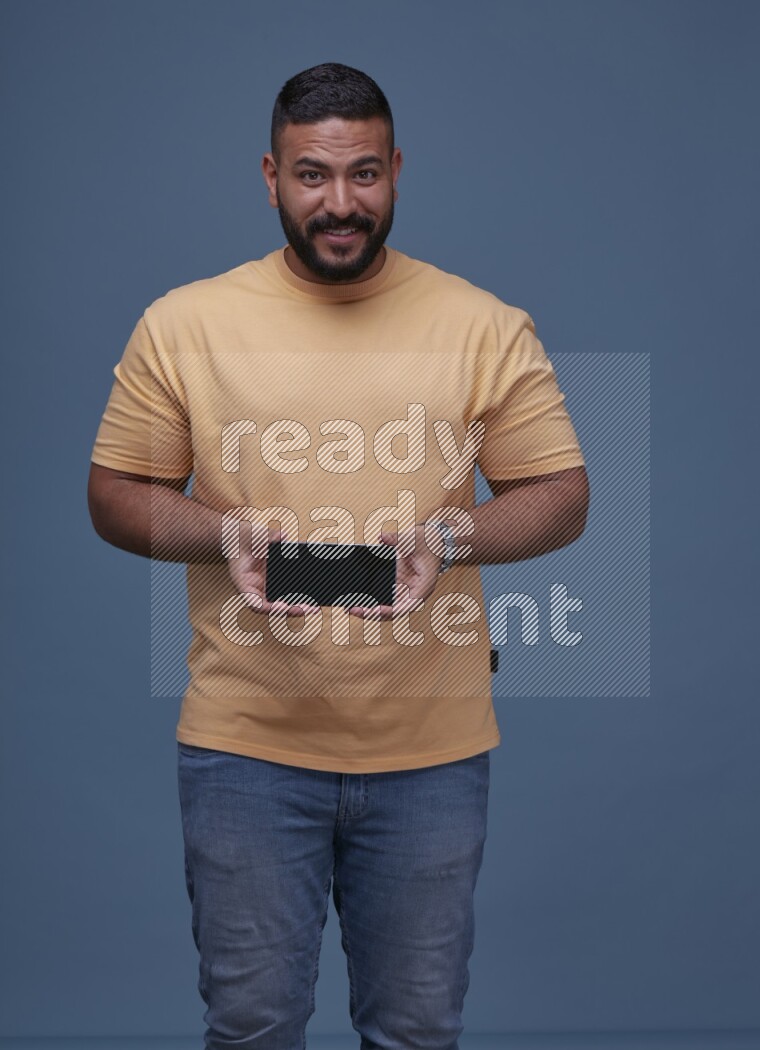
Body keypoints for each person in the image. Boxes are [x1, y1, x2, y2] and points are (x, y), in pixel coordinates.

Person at [88, 62, 589, 1050]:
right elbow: (115, 494)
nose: (340, 202)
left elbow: (560, 497)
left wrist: (448, 538)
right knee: (252, 1029)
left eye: (363, 173)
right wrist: (224, 533)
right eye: (312, 175)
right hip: (244, 749)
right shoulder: (184, 325)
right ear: (270, 177)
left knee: (416, 1033)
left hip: (432, 756)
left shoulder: (483, 326)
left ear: (396, 171)